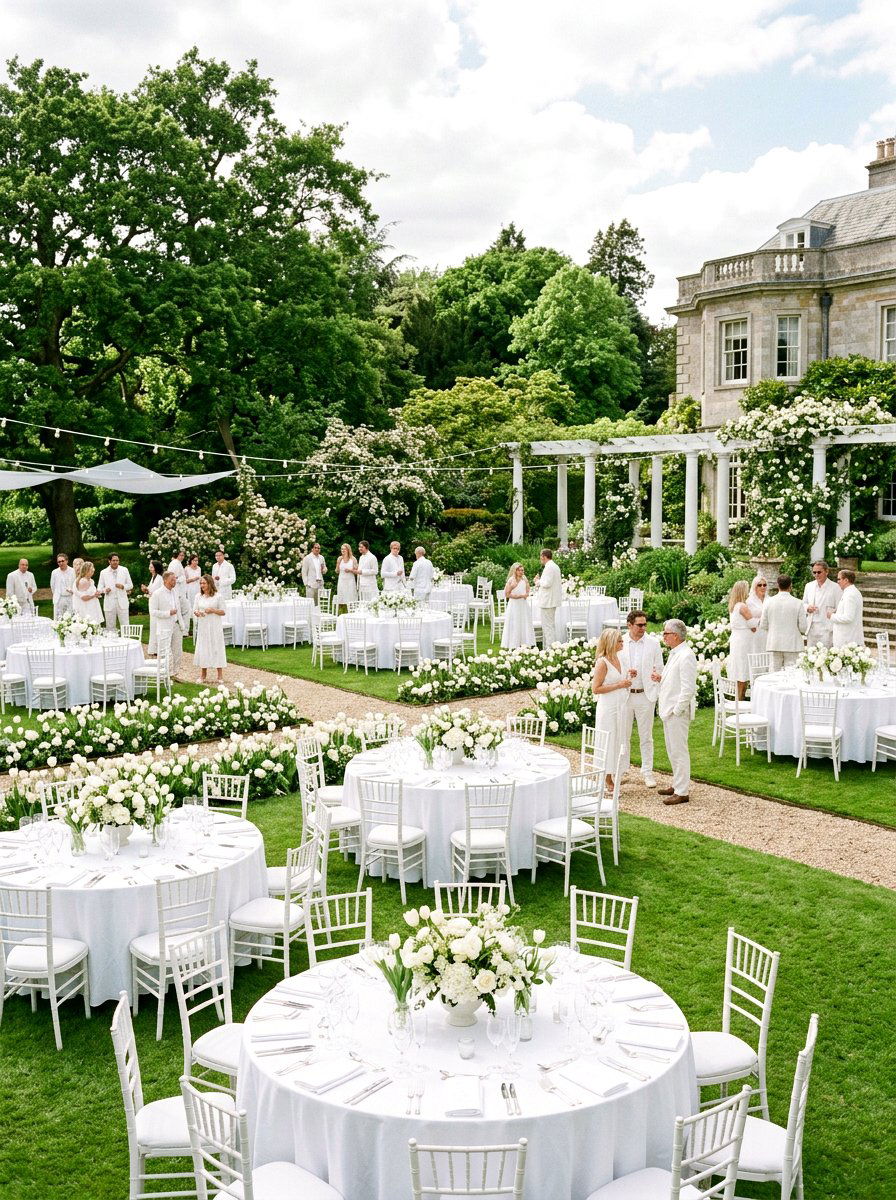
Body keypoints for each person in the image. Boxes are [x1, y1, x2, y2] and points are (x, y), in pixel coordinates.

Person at [653, 619, 698, 805]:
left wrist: (677, 710)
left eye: (666, 633)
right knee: (672, 750)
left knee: (679, 751)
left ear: (676, 636)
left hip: (676, 712)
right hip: (668, 710)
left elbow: (688, 688)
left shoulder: (686, 655)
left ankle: (682, 791)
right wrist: (661, 678)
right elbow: (675, 680)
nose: (663, 636)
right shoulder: (675, 653)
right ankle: (677, 783)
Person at [619, 609, 664, 788]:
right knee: (623, 735)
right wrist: (626, 674)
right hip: (625, 695)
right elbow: (615, 667)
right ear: (629, 625)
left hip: (646, 695)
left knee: (646, 736)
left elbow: (659, 667)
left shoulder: (653, 643)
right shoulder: (620, 642)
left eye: (645, 624)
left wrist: (655, 681)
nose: (643, 628)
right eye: (639, 625)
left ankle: (647, 772)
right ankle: (622, 770)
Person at [591, 628, 632, 791]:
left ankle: (616, 772)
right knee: (609, 740)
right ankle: (606, 778)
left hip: (621, 705)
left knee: (620, 738)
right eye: (619, 641)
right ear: (611, 643)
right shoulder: (602, 662)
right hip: (608, 708)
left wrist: (629, 675)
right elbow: (596, 689)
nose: (622, 643)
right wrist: (619, 685)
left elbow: (621, 678)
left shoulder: (619, 658)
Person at [759, 575, 807, 672]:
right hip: (793, 644)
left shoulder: (768, 602)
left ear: (778, 585)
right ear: (790, 586)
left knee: (774, 674)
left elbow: (763, 625)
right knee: (792, 674)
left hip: (774, 643)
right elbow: (803, 627)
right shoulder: (798, 603)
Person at [150, 570, 186, 677]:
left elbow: (178, 609)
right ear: (165, 580)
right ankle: (166, 673)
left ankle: (175, 673)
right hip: (164, 626)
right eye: (172, 579)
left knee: (177, 650)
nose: (174, 581)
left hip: (176, 625)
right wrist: (168, 613)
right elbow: (153, 611)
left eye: (175, 579)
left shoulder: (175, 592)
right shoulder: (157, 593)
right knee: (165, 650)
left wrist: (182, 624)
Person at [727, 579, 759, 699]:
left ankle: (739, 698)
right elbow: (753, 625)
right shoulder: (742, 606)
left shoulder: (733, 606)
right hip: (744, 642)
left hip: (736, 639)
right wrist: (761, 619)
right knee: (743, 669)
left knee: (739, 667)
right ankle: (740, 698)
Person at [192, 574, 227, 685]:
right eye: (201, 583)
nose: (202, 585)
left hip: (215, 626)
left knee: (217, 647)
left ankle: (220, 675)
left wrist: (213, 610)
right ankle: (203, 674)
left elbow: (223, 611)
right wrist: (198, 613)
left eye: (204, 583)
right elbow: (195, 610)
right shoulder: (198, 596)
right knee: (204, 648)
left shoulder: (218, 596)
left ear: (210, 583)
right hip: (203, 626)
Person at [803, 560, 841, 648]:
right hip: (812, 627)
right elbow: (803, 603)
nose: (816, 575)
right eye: (814, 572)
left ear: (826, 572)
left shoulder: (836, 587)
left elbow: (839, 607)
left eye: (819, 572)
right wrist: (808, 608)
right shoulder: (809, 586)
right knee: (811, 653)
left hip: (827, 629)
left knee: (826, 654)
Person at [500, 562, 535, 649]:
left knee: (524, 622)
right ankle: (513, 643)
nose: (521, 572)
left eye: (522, 570)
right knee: (514, 623)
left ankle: (524, 642)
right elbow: (507, 594)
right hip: (514, 605)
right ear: (515, 571)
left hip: (523, 605)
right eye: (519, 570)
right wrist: (513, 588)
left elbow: (527, 590)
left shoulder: (524, 579)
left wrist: (526, 593)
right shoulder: (511, 580)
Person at [97, 553, 134, 632]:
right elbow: (99, 588)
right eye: (113, 560)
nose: (115, 562)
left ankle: (126, 639)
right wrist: (105, 590)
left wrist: (123, 586)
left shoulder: (124, 570)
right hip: (109, 603)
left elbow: (130, 585)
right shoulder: (103, 572)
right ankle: (111, 639)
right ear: (109, 561)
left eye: (117, 560)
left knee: (125, 625)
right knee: (110, 626)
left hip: (122, 602)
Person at [534, 548, 562, 647]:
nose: (540, 559)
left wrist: (537, 581)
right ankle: (551, 647)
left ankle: (550, 648)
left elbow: (547, 583)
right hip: (550, 600)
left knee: (547, 626)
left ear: (544, 557)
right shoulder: (554, 566)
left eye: (540, 557)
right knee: (550, 625)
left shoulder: (549, 567)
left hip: (548, 601)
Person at [830, 569, 865, 647]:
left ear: (846, 580)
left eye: (839, 579)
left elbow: (848, 617)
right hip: (848, 638)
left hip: (848, 639)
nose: (837, 582)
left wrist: (832, 616)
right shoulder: (851, 592)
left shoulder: (850, 594)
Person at [142, 560, 165, 655]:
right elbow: (151, 590)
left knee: (156, 625)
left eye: (151, 567)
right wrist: (146, 589)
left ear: (155, 568)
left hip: (157, 605)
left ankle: (158, 649)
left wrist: (148, 591)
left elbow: (159, 592)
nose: (149, 568)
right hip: (152, 603)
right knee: (153, 625)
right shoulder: (153, 577)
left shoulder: (160, 578)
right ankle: (153, 649)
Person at [74, 561, 103, 625]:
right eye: (91, 568)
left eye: (93, 568)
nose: (93, 570)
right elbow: (83, 598)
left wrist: (97, 594)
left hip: (93, 605)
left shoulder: (91, 580)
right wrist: (94, 595)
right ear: (86, 570)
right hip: (87, 607)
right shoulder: (83, 581)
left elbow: (90, 592)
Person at [746, 576, 768, 656]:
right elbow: (748, 619)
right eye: (759, 585)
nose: (762, 587)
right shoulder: (749, 601)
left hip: (768, 632)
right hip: (755, 632)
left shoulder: (770, 600)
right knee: (757, 655)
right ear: (755, 587)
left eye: (764, 585)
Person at [50, 553, 75, 619]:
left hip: (70, 597)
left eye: (62, 561)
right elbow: (52, 586)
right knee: (59, 618)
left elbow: (75, 584)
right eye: (59, 562)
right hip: (59, 598)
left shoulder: (72, 571)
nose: (61, 563)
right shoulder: (54, 572)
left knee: (70, 618)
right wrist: (57, 594)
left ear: (67, 561)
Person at [335, 544, 358, 610]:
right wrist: (338, 564)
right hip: (342, 580)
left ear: (348, 550)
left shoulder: (353, 559)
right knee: (341, 597)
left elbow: (356, 571)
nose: (342, 550)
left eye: (344, 549)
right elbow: (336, 571)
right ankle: (341, 611)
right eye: (342, 549)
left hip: (350, 581)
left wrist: (350, 570)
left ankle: (352, 611)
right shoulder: (339, 558)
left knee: (351, 597)